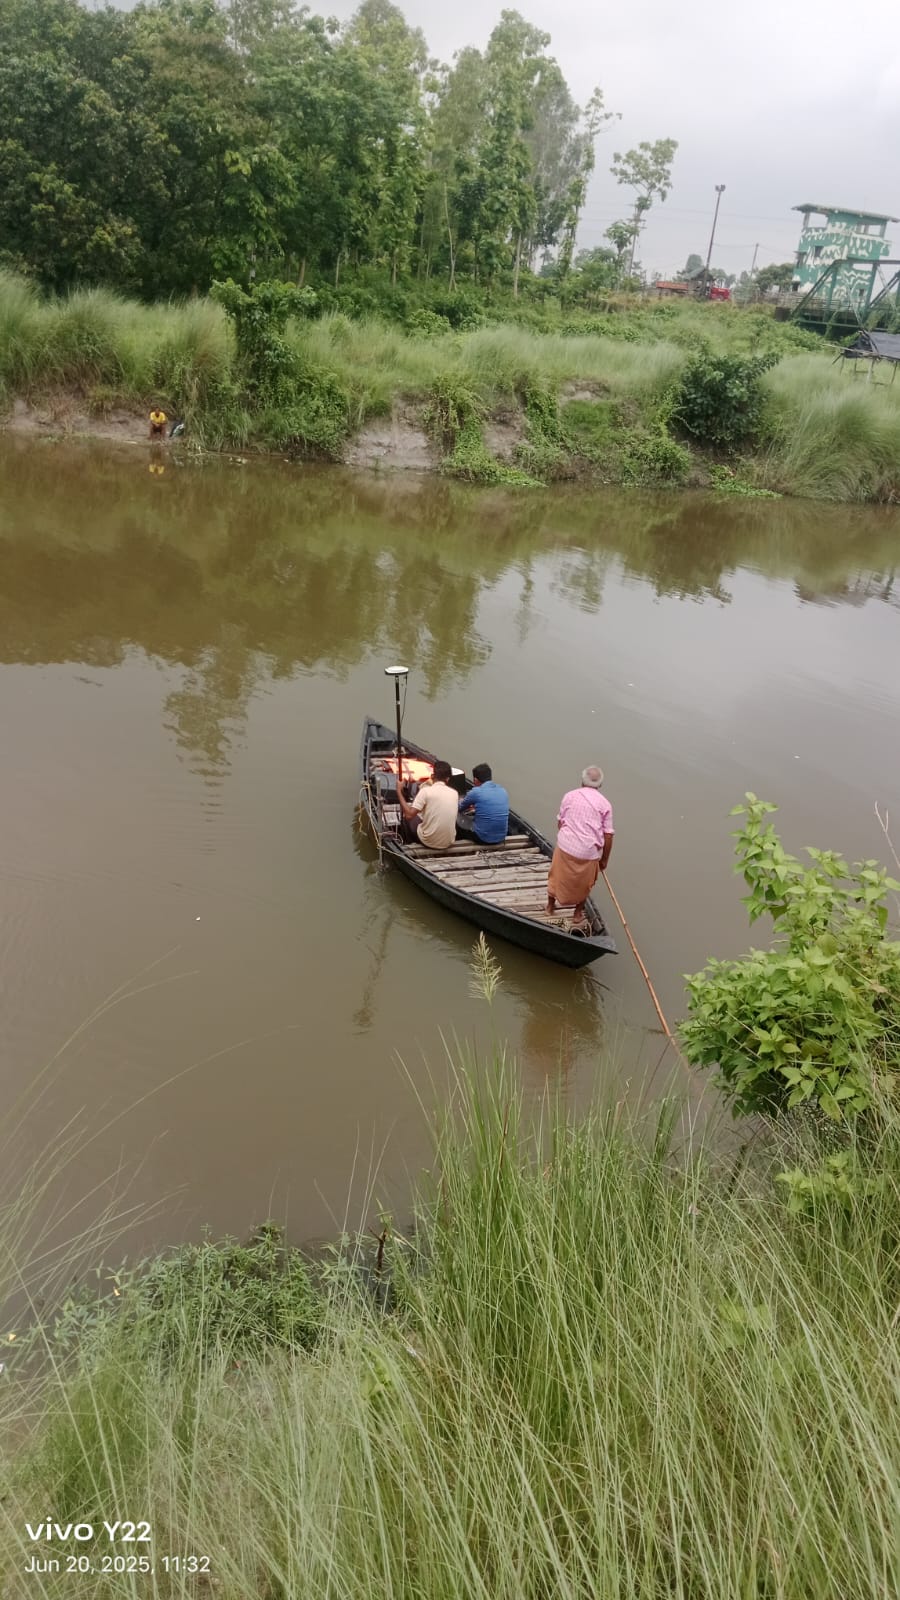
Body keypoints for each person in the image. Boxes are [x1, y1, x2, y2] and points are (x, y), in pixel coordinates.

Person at [547, 765, 614, 927]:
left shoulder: (569, 796)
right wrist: (604, 860)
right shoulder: (605, 805)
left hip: (566, 846)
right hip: (588, 852)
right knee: (586, 883)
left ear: (582, 780)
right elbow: (608, 835)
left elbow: (560, 822)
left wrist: (568, 838)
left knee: (556, 874)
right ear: (600, 785)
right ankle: (577, 913)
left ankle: (550, 906)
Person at [397, 759, 458, 850]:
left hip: (428, 842)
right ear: (447, 779)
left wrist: (399, 791)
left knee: (408, 818)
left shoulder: (425, 791)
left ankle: (409, 843)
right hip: (448, 842)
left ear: (432, 776)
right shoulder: (455, 793)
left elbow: (409, 815)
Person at [457, 762, 509, 845]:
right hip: (501, 837)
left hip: (483, 838)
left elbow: (459, 808)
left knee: (457, 815)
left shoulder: (476, 792)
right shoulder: (503, 790)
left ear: (475, 780)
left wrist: (459, 800)